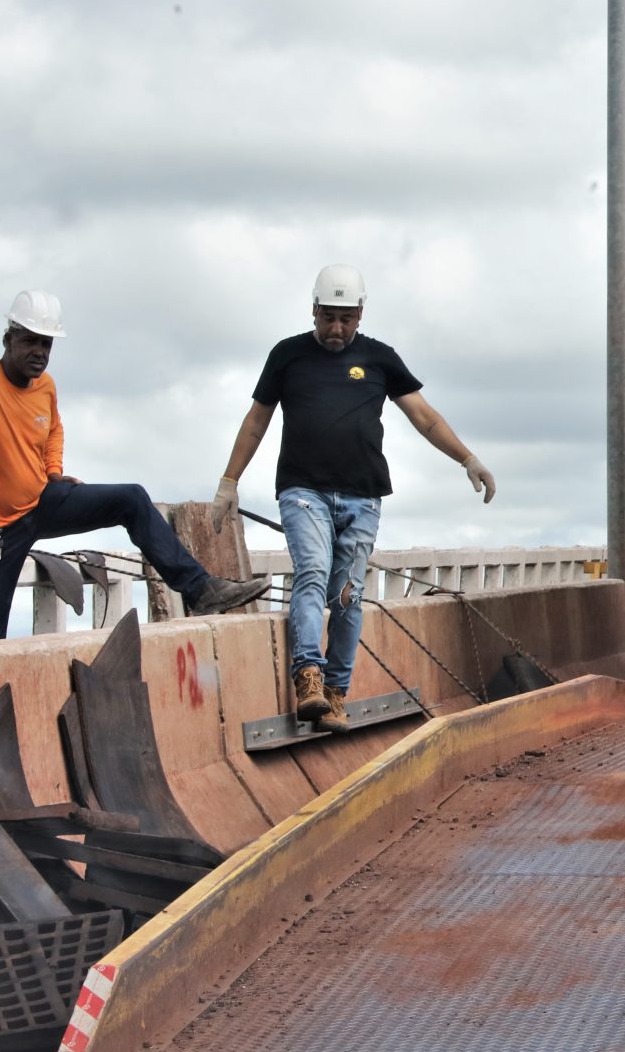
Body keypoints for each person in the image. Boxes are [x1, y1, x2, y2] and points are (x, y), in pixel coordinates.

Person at [0, 291, 270, 640]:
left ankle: (200, 590)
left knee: (131, 498)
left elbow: (53, 429)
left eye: (46, 344)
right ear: (9, 339)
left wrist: (53, 471)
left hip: (40, 502)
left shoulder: (44, 386)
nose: (39, 352)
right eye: (30, 341)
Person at [210, 265, 495, 732]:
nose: (337, 329)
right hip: (303, 490)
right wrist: (229, 481)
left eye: (346, 319)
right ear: (313, 310)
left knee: (346, 595)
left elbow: (424, 417)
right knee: (312, 571)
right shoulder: (287, 355)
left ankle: (336, 694)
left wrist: (468, 459)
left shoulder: (379, 358)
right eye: (329, 318)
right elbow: (257, 420)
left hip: (363, 496)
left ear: (361, 314)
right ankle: (308, 678)